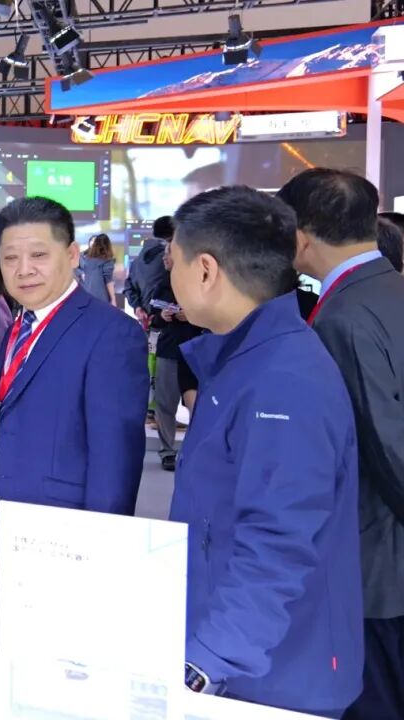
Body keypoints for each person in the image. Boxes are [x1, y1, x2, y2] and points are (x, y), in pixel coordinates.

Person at [167, 185, 362, 717]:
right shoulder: (242, 359)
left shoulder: (283, 380)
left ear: (206, 270)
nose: (171, 278)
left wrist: (205, 663)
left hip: (269, 677)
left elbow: (279, 541)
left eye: (173, 262)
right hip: (241, 655)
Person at [277, 169, 404, 720]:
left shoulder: (344, 317)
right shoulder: (388, 288)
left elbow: (386, 445)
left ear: (299, 235)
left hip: (377, 564)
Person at [0, 197, 148, 565]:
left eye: (38, 255)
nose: (23, 270)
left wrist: (99, 553)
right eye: (10, 258)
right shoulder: (21, 323)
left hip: (64, 537)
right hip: (4, 518)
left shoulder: (111, 333)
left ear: (71, 255)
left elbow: (114, 461)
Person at [147, 239, 202, 472]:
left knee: (197, 406)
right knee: (165, 404)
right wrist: (163, 317)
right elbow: (153, 316)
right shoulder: (162, 284)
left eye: (168, 253)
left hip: (197, 350)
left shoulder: (200, 283)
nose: (164, 258)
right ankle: (167, 451)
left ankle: (195, 450)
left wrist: (191, 316)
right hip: (169, 349)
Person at [125, 216, 172, 325]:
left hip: (149, 323)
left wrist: (137, 307)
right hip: (171, 324)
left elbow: (128, 287)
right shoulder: (172, 258)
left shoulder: (137, 261)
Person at [78, 233, 117, 305]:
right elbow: (109, 282)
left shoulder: (87, 260)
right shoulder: (107, 261)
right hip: (101, 299)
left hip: (87, 298)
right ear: (108, 245)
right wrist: (113, 299)